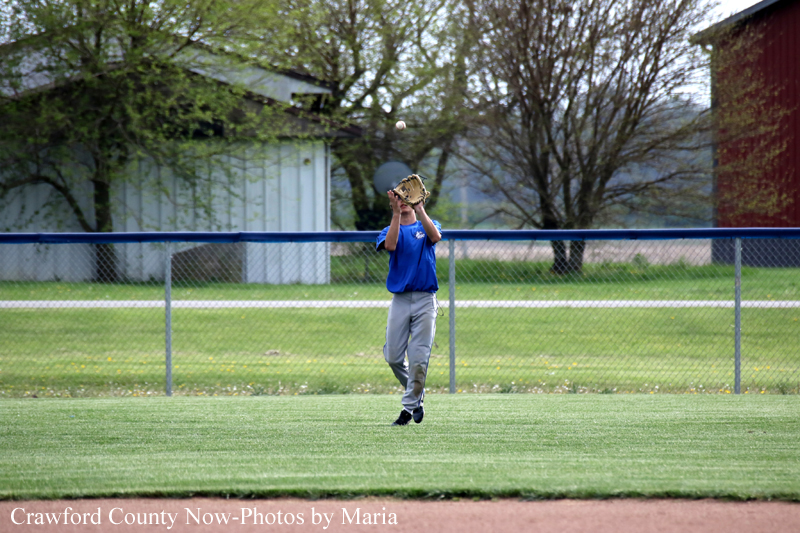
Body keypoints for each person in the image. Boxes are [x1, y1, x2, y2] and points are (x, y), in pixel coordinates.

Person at [376, 189, 441, 426]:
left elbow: (435, 237)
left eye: (407, 198)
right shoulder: (388, 230)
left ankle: (408, 407)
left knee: (418, 357)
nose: (403, 203)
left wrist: (420, 208)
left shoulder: (427, 225)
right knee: (393, 356)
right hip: (400, 299)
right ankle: (417, 396)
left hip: (425, 298)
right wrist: (395, 214)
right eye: (399, 199)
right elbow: (391, 246)